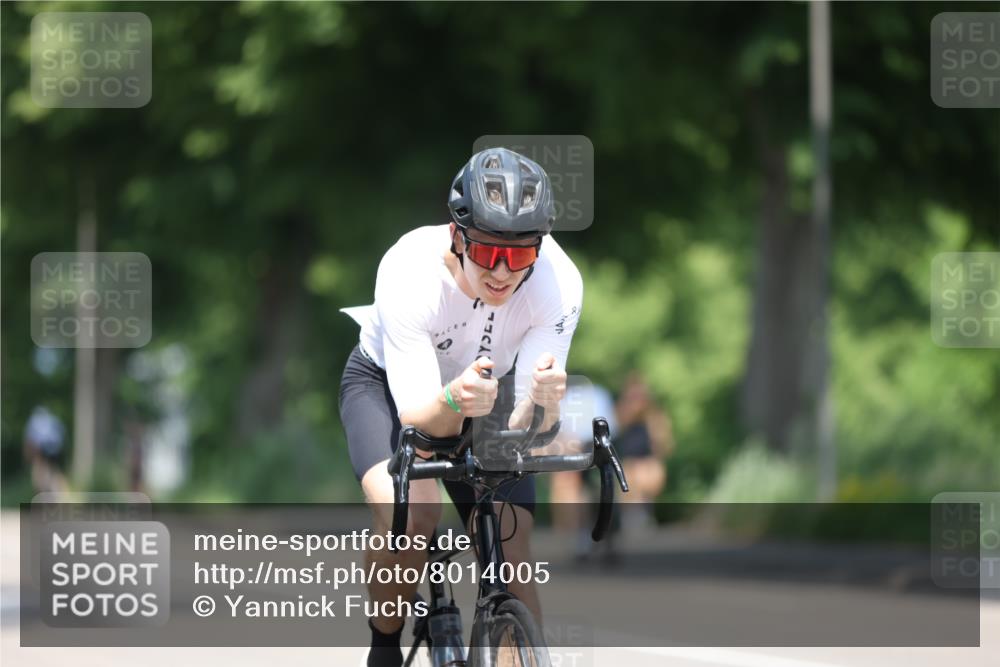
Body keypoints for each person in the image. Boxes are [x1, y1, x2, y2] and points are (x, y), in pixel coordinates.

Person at [339, 147, 582, 667]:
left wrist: (544, 404)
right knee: (413, 511)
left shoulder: (559, 282)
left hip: (491, 388)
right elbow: (421, 419)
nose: (500, 271)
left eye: (517, 257)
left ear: (538, 250)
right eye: (488, 252)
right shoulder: (408, 269)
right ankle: (383, 647)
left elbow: (532, 429)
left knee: (511, 550)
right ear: (457, 236)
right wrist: (454, 399)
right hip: (388, 387)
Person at [614, 372, 674, 531]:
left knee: (642, 475)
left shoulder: (654, 417)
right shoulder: (621, 414)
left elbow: (664, 445)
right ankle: (633, 517)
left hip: (648, 463)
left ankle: (642, 516)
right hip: (628, 463)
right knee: (629, 476)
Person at [23, 405, 68, 494]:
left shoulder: (33, 421)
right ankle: (58, 491)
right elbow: (62, 434)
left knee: (38, 469)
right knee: (54, 470)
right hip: (56, 448)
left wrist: (27, 455)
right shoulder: (53, 420)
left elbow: (30, 440)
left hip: (42, 447)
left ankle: (42, 490)